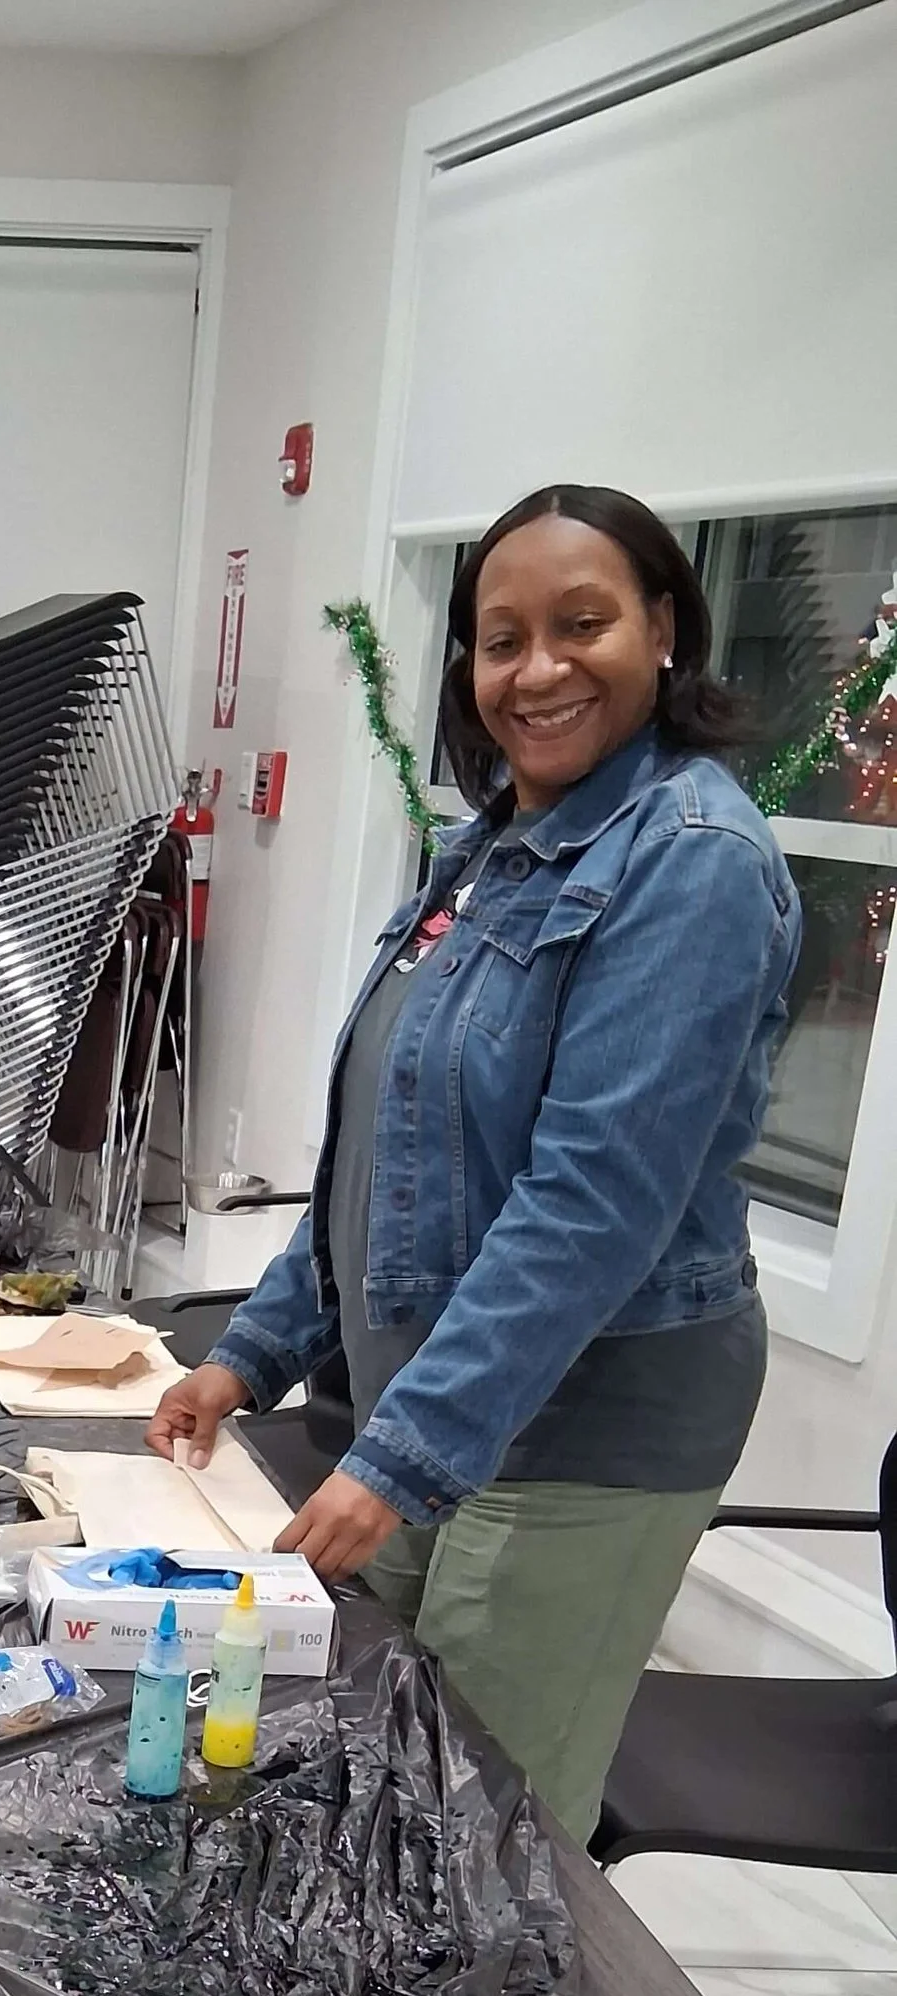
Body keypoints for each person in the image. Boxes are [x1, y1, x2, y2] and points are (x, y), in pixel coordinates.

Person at [151, 484, 798, 1843]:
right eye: (502, 639)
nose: (538, 669)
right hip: (431, 1415)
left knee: (473, 1837)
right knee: (365, 1784)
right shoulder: (491, 849)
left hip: (579, 1433)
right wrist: (250, 1353)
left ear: (665, 628)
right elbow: (386, 1168)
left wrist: (404, 1456)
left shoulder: (692, 862)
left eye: (584, 624)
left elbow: (591, 1203)